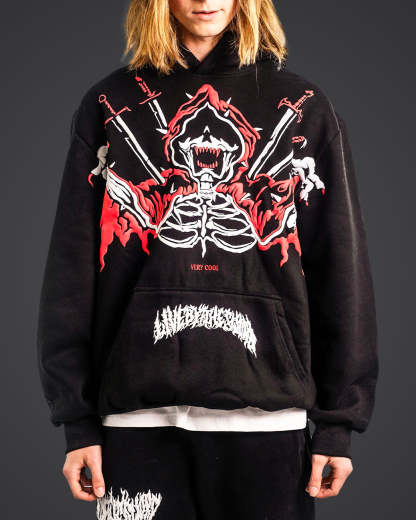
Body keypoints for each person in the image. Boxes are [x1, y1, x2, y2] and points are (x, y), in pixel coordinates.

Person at [36, 0, 379, 518]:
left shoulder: (305, 107)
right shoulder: (109, 104)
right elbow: (71, 269)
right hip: (134, 421)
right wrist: (76, 420)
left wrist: (338, 424)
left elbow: (341, 268)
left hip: (269, 419)